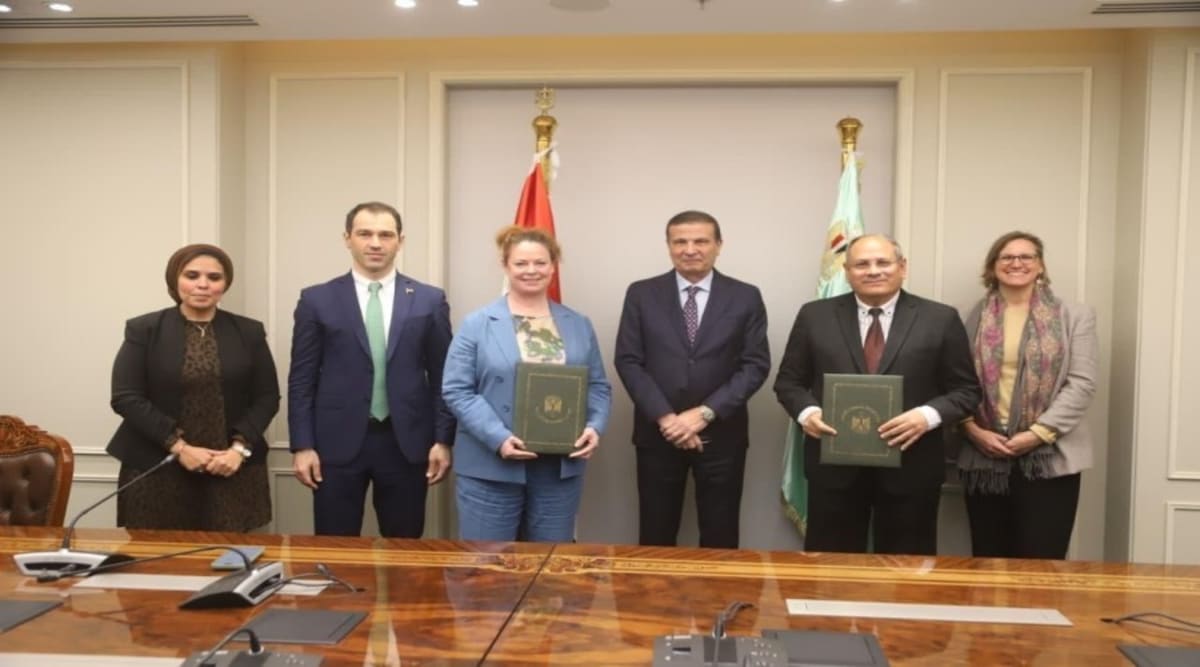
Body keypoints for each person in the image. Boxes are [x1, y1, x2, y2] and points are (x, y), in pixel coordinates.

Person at [773, 234, 979, 555]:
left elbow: (967, 391)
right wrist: (806, 414)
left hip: (912, 467)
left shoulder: (940, 318)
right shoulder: (815, 316)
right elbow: (788, 383)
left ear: (902, 267)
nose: (873, 271)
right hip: (834, 468)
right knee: (831, 573)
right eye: (862, 264)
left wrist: (926, 417)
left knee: (906, 574)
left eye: (883, 262)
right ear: (846, 270)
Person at [288, 201, 455, 538]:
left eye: (385, 235)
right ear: (347, 238)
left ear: (400, 241)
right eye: (365, 234)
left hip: (406, 443)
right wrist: (302, 445)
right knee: (335, 550)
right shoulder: (317, 300)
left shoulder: (428, 299)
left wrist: (443, 439)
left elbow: (443, 378)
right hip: (334, 445)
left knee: (404, 550)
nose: (375, 243)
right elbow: (301, 379)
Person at [442, 226, 611, 542]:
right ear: (505, 266)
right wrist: (499, 437)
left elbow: (598, 386)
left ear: (553, 266)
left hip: (558, 471)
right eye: (521, 263)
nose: (531, 270)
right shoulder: (478, 324)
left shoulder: (578, 324)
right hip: (490, 467)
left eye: (540, 263)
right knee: (487, 572)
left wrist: (595, 426)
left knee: (550, 572)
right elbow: (456, 389)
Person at [614, 210, 770, 549]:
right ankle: (652, 601)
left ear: (719, 245)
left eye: (700, 241)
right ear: (668, 246)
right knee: (655, 533)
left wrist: (703, 414)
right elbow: (628, 360)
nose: (690, 249)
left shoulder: (745, 296)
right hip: (658, 434)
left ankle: (721, 603)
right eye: (680, 242)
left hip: (721, 435)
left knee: (721, 535)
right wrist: (668, 418)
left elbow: (755, 365)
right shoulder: (641, 294)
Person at [106, 244, 279, 531]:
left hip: (230, 468)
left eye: (214, 278)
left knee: (229, 561)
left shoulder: (249, 332)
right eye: (192, 275)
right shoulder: (144, 329)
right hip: (158, 468)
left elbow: (267, 397)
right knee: (157, 564)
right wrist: (179, 448)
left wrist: (239, 450)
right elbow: (125, 397)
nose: (203, 284)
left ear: (225, 284)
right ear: (175, 279)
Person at [957, 231, 1097, 559]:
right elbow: (954, 381)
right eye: (1007, 257)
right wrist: (972, 429)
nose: (1016, 263)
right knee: (988, 557)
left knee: (1042, 559)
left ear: (1040, 265)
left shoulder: (1076, 316)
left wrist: (1037, 434)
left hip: (1050, 456)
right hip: (983, 457)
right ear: (992, 267)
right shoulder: (966, 316)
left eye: (1026, 257)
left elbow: (1082, 383)